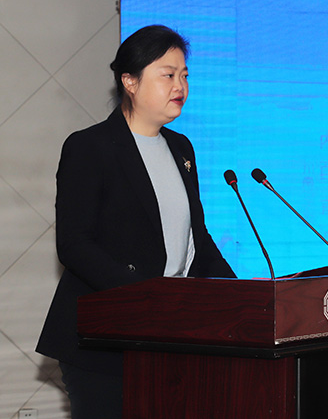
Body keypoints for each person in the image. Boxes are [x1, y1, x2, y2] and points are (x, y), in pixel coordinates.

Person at [36, 25, 236, 419]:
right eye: (168, 75)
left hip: (168, 336)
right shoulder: (89, 146)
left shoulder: (181, 148)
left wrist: (241, 296)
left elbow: (197, 240)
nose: (180, 86)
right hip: (104, 340)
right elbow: (74, 244)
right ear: (130, 81)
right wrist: (146, 297)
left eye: (184, 75)